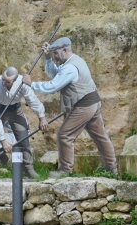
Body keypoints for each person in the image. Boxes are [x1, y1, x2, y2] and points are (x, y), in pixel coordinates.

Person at [23, 37, 117, 179]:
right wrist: (48, 58)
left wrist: (32, 84)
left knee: (65, 135)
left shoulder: (70, 68)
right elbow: (55, 74)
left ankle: (65, 171)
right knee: (101, 137)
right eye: (53, 53)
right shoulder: (75, 60)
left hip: (84, 105)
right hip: (92, 102)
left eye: (56, 53)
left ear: (65, 50)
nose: (55, 57)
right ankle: (112, 169)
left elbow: (53, 86)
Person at [0, 67, 47, 180]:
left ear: (14, 80)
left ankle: (28, 169)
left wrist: (41, 117)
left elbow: (32, 100)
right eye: (3, 79)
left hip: (15, 108)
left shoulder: (22, 83)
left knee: (23, 137)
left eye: (7, 81)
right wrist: (3, 140)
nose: (4, 82)